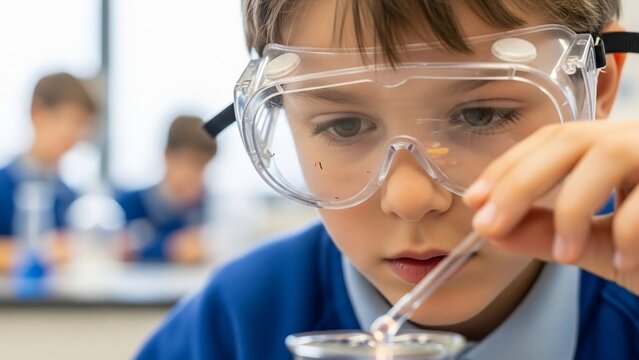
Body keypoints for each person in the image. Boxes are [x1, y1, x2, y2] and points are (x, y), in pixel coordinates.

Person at [136, 0, 639, 359]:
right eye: (345, 126)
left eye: (482, 115)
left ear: (595, 90)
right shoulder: (236, 325)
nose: (410, 197)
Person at [0, 72, 96, 272]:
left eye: (80, 124)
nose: (72, 132)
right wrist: (43, 252)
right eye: (66, 119)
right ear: (37, 113)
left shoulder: (68, 197)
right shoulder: (4, 185)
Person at [116, 116, 217, 263]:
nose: (196, 175)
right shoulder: (130, 203)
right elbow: (120, 249)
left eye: (203, 166)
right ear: (168, 155)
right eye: (191, 163)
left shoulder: (200, 205)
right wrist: (170, 248)